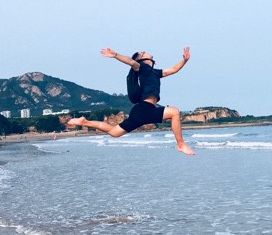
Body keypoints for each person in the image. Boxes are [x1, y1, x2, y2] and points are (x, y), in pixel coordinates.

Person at [67, 47, 195, 155]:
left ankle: (85, 122)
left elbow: (173, 69)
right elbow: (131, 62)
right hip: (145, 109)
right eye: (142, 52)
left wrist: (184, 60)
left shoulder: (155, 72)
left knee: (114, 132)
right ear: (141, 58)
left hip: (142, 111)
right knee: (174, 112)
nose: (145, 51)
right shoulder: (142, 67)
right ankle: (181, 144)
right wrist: (116, 55)